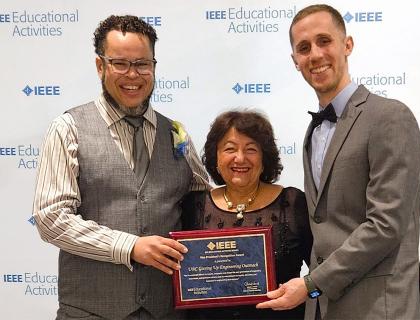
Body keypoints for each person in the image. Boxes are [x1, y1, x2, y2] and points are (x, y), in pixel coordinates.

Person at [257, 4, 420, 320]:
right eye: (304, 48)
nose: (315, 55)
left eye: (325, 41)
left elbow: (385, 226)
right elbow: (326, 226)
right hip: (325, 307)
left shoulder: (389, 117)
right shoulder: (313, 132)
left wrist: (311, 284)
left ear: (347, 44)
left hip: (381, 307)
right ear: (295, 61)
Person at [32, 15, 209, 320]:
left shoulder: (176, 134)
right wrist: (129, 246)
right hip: (90, 312)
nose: (133, 75)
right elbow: (51, 218)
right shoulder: (68, 129)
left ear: (153, 66)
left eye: (142, 64)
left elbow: (204, 206)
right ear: (100, 66)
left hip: (165, 311)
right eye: (120, 63)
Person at [181, 110, 312, 320]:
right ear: (216, 157)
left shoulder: (292, 203)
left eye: (251, 149)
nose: (240, 158)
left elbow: (322, 275)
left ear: (264, 158)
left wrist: (309, 290)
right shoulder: (194, 205)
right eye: (230, 149)